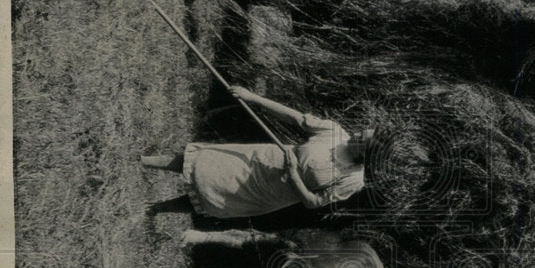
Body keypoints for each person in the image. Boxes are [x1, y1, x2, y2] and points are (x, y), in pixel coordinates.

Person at [141, 85, 371, 218]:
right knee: (203, 163)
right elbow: (296, 118)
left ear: (369, 152)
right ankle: (142, 161)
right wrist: (254, 98)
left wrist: (294, 177)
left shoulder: (353, 180)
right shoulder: (336, 132)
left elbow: (313, 202)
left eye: (363, 138)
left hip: (268, 192)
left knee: (211, 197)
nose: (358, 133)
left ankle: (152, 210)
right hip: (260, 160)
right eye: (363, 131)